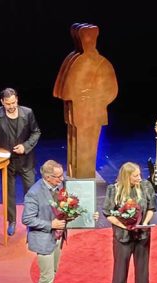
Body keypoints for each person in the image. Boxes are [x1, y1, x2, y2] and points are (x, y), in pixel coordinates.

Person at [53, 23, 118, 179]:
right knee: (75, 144)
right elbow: (63, 91)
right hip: (77, 112)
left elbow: (112, 90)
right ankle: (77, 173)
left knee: (87, 148)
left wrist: (93, 98)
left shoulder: (101, 62)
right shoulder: (75, 59)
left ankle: (84, 175)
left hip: (92, 113)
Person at [102, 162, 156, 283]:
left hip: (141, 235)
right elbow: (108, 213)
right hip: (123, 236)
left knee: (142, 269)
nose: (139, 178)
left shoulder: (146, 186)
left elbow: (152, 208)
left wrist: (144, 223)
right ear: (127, 177)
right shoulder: (113, 190)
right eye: (135, 176)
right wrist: (123, 225)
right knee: (120, 269)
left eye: (139, 174)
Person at [0, 87, 41, 236]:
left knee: (30, 192)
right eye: (8, 104)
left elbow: (36, 132)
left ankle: (31, 221)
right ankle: (11, 221)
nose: (11, 107)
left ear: (17, 99)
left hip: (26, 160)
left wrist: (25, 146)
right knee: (9, 192)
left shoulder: (28, 112)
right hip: (7, 161)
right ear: (2, 102)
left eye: (13, 103)